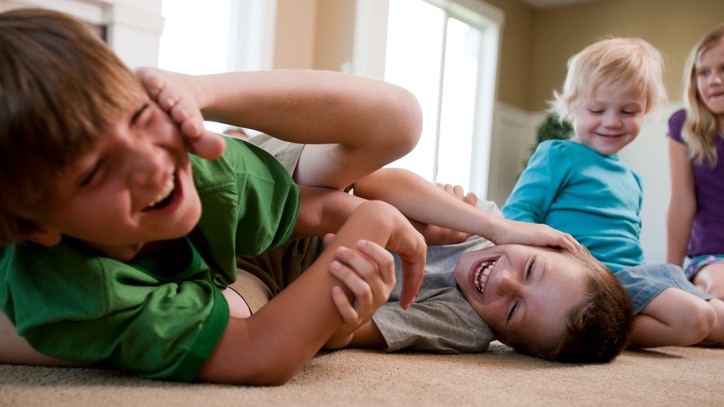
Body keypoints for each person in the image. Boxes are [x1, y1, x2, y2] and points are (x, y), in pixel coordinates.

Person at [0, 8, 579, 384]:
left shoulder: (206, 173)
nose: (151, 166)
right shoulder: (80, 286)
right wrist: (371, 228)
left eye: (139, 116)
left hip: (249, 264)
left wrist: (365, 222)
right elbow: (258, 355)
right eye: (94, 171)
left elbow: (312, 210)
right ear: (41, 227)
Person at [502, 37, 724, 349]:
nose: (612, 121)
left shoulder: (632, 178)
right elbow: (516, 216)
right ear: (570, 106)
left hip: (632, 275)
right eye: (597, 109)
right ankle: (594, 331)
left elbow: (627, 244)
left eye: (629, 111)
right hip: (591, 278)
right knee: (696, 318)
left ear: (646, 111)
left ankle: (608, 323)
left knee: (719, 318)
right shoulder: (558, 155)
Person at [319, 170, 634, 363]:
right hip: (320, 196)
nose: (505, 282)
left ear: (506, 339)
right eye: (531, 268)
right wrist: (465, 226)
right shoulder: (488, 222)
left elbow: (341, 334)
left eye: (513, 310)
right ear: (543, 241)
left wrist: (347, 317)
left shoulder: (466, 327)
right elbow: (370, 184)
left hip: (304, 274)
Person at [666, 24, 724, 301]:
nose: (714, 80)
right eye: (704, 72)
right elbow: (681, 202)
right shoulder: (683, 126)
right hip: (712, 255)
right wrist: (670, 275)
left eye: (723, 69)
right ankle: (696, 295)